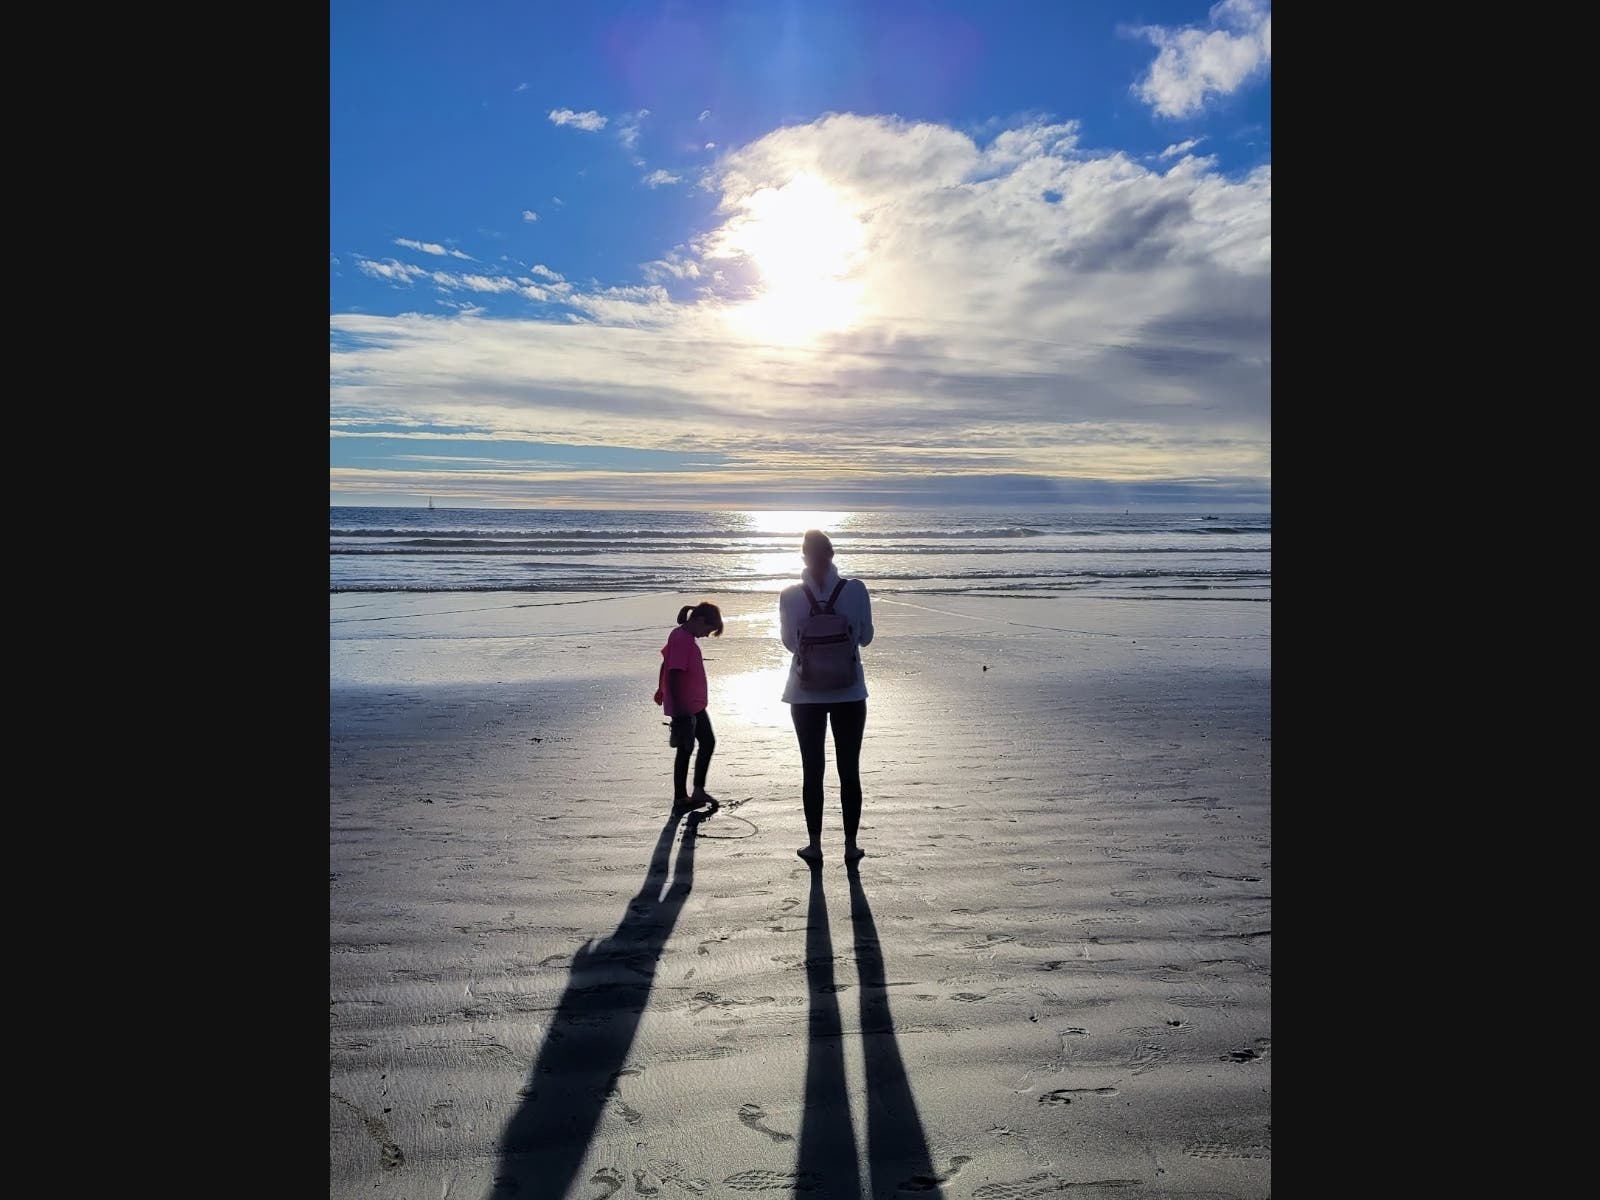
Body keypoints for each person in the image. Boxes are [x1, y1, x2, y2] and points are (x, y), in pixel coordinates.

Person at [779, 530, 873, 863]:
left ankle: (815, 846)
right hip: (849, 691)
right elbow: (866, 638)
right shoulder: (856, 589)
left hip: (805, 694)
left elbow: (790, 643)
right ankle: (850, 846)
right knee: (850, 769)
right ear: (832, 554)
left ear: (803, 557)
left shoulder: (791, 595)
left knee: (812, 770)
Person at [657, 600, 723, 810]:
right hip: (686, 707)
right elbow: (674, 672)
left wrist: (660, 689)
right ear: (700, 620)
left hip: (693, 706)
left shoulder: (682, 637)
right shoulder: (683, 639)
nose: (706, 635)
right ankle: (683, 796)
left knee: (703, 743)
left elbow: (665, 664)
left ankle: (695, 790)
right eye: (708, 630)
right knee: (687, 748)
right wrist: (679, 709)